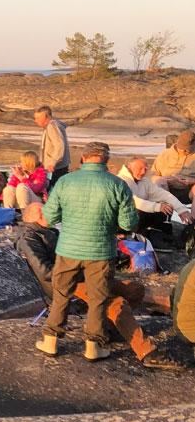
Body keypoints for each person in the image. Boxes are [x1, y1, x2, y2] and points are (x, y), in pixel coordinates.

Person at [16, 202, 180, 370]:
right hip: (66, 283)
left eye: (45, 209)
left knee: (134, 289)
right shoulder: (30, 238)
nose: (45, 212)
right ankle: (147, 353)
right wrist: (80, 268)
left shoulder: (51, 231)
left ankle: (107, 329)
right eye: (39, 211)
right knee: (117, 304)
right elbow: (45, 272)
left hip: (85, 276)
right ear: (28, 218)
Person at [36, 142, 138, 360]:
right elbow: (128, 223)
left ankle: (51, 340)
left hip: (68, 249)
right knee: (98, 298)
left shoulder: (65, 181)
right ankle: (93, 345)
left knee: (62, 293)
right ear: (107, 160)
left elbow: (50, 216)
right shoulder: (118, 184)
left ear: (82, 158)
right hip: (101, 252)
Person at [117, 156, 193, 236]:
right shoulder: (120, 181)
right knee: (139, 212)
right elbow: (134, 202)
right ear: (129, 167)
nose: (143, 172)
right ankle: (131, 236)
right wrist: (157, 207)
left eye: (145, 169)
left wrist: (181, 209)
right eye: (140, 168)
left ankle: (158, 236)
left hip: (139, 217)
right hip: (122, 218)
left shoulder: (145, 182)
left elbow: (163, 195)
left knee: (166, 208)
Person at [150, 130, 195, 204]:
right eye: (181, 148)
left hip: (189, 191)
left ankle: (192, 215)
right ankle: (160, 214)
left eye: (186, 149)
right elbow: (152, 175)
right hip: (168, 188)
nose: (183, 151)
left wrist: (192, 182)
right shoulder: (165, 154)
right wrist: (163, 179)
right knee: (159, 183)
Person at [35, 105, 70, 191]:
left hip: (55, 167)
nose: (35, 121)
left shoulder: (52, 126)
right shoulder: (51, 126)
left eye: (37, 118)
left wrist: (53, 162)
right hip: (55, 166)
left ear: (44, 116)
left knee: (54, 191)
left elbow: (59, 145)